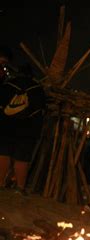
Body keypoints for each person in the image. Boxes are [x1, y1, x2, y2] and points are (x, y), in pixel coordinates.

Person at [0, 47, 46, 195]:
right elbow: (40, 109)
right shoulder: (37, 88)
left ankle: (0, 183)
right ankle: (20, 187)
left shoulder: (8, 85)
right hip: (28, 130)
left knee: (3, 154)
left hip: (7, 126)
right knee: (22, 158)